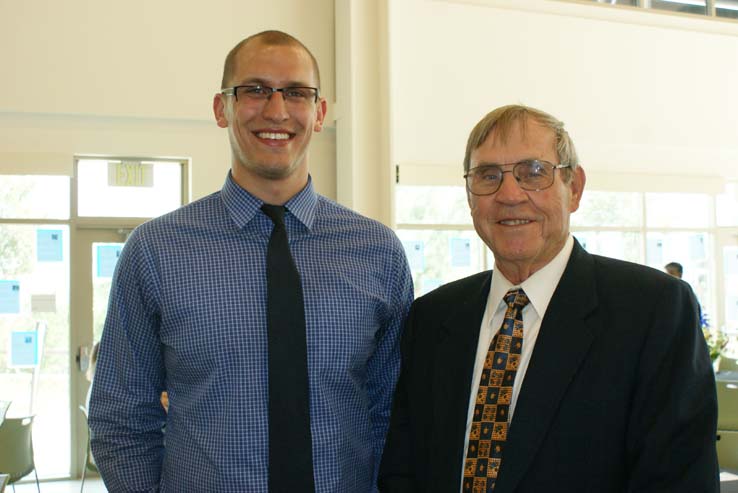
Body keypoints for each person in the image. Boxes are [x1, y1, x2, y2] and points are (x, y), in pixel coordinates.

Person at [89, 30, 413, 492]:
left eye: (297, 93)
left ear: (319, 113)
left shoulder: (378, 252)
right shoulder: (156, 251)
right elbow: (120, 418)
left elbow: (392, 414)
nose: (277, 110)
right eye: (255, 90)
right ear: (221, 108)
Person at [379, 105, 718, 492]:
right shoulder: (432, 318)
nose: (509, 194)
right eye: (488, 176)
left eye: (534, 172)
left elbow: (679, 479)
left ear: (574, 188)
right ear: (470, 197)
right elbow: (403, 469)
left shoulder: (653, 311)